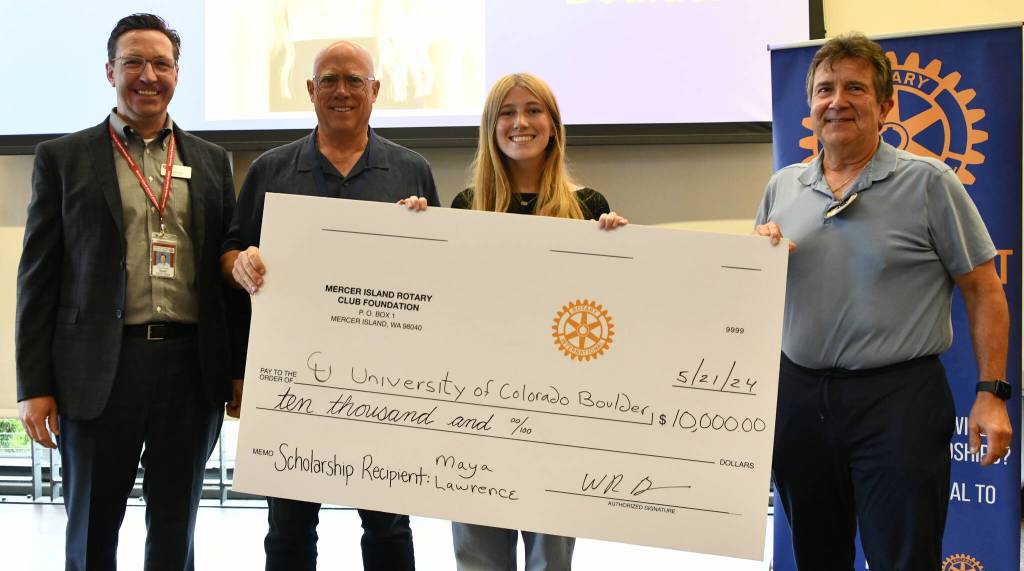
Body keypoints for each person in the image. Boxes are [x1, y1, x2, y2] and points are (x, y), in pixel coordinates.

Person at [753, 33, 1012, 570]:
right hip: (800, 398)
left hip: (898, 402)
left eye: (855, 88)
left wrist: (992, 393)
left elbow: (984, 289)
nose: (837, 101)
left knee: (904, 558)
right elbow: (754, 290)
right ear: (810, 105)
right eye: (825, 89)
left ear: (886, 105)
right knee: (816, 556)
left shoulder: (929, 183)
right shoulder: (783, 187)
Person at [15, 13, 244, 570]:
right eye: (133, 62)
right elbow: (38, 279)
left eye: (161, 64)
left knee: (175, 527)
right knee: (92, 528)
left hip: (190, 370)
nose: (148, 76)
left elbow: (228, 281)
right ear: (109, 71)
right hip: (97, 371)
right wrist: (34, 386)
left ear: (177, 74)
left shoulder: (212, 162)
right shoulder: (63, 158)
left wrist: (238, 370)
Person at [221, 40, 438, 571]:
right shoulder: (270, 170)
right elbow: (229, 252)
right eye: (329, 80)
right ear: (310, 90)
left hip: (385, 384)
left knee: (388, 526)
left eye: (354, 80)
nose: (342, 91)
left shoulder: (411, 170)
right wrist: (240, 265)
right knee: (289, 528)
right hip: (291, 380)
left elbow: (437, 275)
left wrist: (425, 233)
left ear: (375, 90)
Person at [449, 73, 627, 571]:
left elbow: (607, 312)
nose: (520, 122)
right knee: (479, 556)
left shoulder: (589, 207)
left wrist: (622, 252)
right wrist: (413, 227)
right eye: (506, 112)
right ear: (491, 127)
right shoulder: (465, 207)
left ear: (553, 125)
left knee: (552, 559)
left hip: (559, 414)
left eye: (533, 110)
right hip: (477, 412)